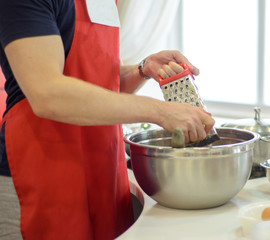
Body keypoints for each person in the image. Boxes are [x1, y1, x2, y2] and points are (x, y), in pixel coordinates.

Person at [0, 0, 215, 239]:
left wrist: (141, 69)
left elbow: (100, 83)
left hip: (103, 169)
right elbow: (48, 94)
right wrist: (160, 111)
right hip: (41, 171)